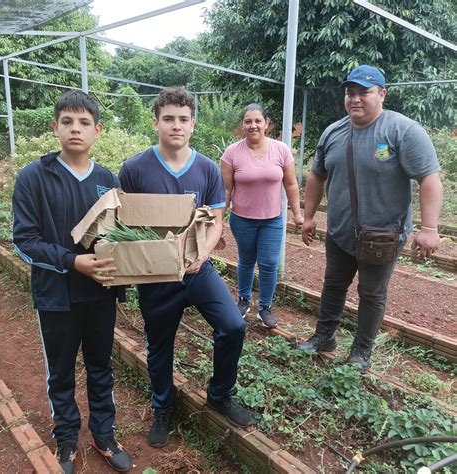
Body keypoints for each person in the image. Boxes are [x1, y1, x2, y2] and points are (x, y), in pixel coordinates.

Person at [118, 87, 251, 448]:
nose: (176, 125)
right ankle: (163, 406)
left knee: (233, 325)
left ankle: (220, 394)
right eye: (168, 119)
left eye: (183, 119)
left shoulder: (207, 169)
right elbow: (126, 223)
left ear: (193, 124)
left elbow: (216, 221)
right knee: (160, 344)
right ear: (156, 122)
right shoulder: (134, 169)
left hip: (197, 270)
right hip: (157, 275)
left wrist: (202, 255)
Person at [12, 90, 133, 473]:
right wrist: (73, 261)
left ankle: (104, 433)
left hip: (99, 291)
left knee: (100, 365)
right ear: (55, 128)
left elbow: (119, 235)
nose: (75, 129)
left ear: (97, 131)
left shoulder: (106, 180)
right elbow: (25, 240)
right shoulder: (34, 177)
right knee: (61, 369)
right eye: (67, 122)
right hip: (56, 294)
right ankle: (66, 438)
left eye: (84, 123)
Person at [297, 65, 443, 373]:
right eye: (350, 93)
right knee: (333, 284)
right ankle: (324, 337)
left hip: (382, 236)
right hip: (340, 231)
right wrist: (308, 216)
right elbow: (316, 174)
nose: (356, 99)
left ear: (382, 94)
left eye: (364, 92)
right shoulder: (333, 132)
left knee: (372, 293)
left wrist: (429, 228)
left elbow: (429, 178)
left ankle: (361, 351)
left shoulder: (402, 130)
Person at [220, 104, 303, 328]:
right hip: (242, 218)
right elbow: (226, 190)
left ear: (267, 123)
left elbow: (291, 184)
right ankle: (244, 301)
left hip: (272, 219)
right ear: (243, 125)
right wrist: (219, 218)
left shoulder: (281, 150)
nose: (253, 125)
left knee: (268, 263)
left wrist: (297, 214)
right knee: (246, 260)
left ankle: (265, 308)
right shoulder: (232, 153)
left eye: (258, 121)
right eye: (248, 121)